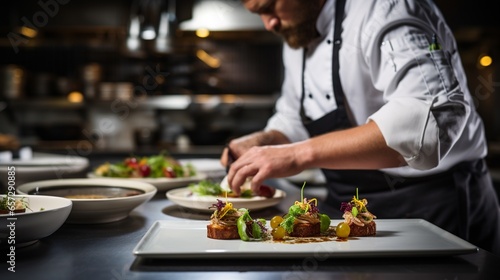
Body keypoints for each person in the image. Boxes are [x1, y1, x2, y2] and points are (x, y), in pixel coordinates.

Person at [221, 0, 500, 255]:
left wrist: (297, 154)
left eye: (269, 7)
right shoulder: (298, 33)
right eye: (258, 13)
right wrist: (263, 142)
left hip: (432, 206)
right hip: (347, 208)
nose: (269, 23)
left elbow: (425, 126)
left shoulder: (386, 9)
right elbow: (295, 118)